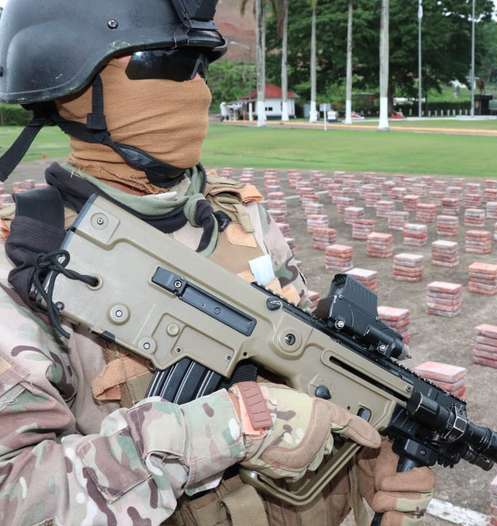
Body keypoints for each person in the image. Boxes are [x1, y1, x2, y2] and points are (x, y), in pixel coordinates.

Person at [0, 1, 435, 525]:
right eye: (165, 65)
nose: (196, 90)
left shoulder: (243, 216)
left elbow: (303, 370)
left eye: (200, 66)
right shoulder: (24, 262)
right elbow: (14, 495)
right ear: (70, 89)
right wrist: (227, 427)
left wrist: (366, 465)